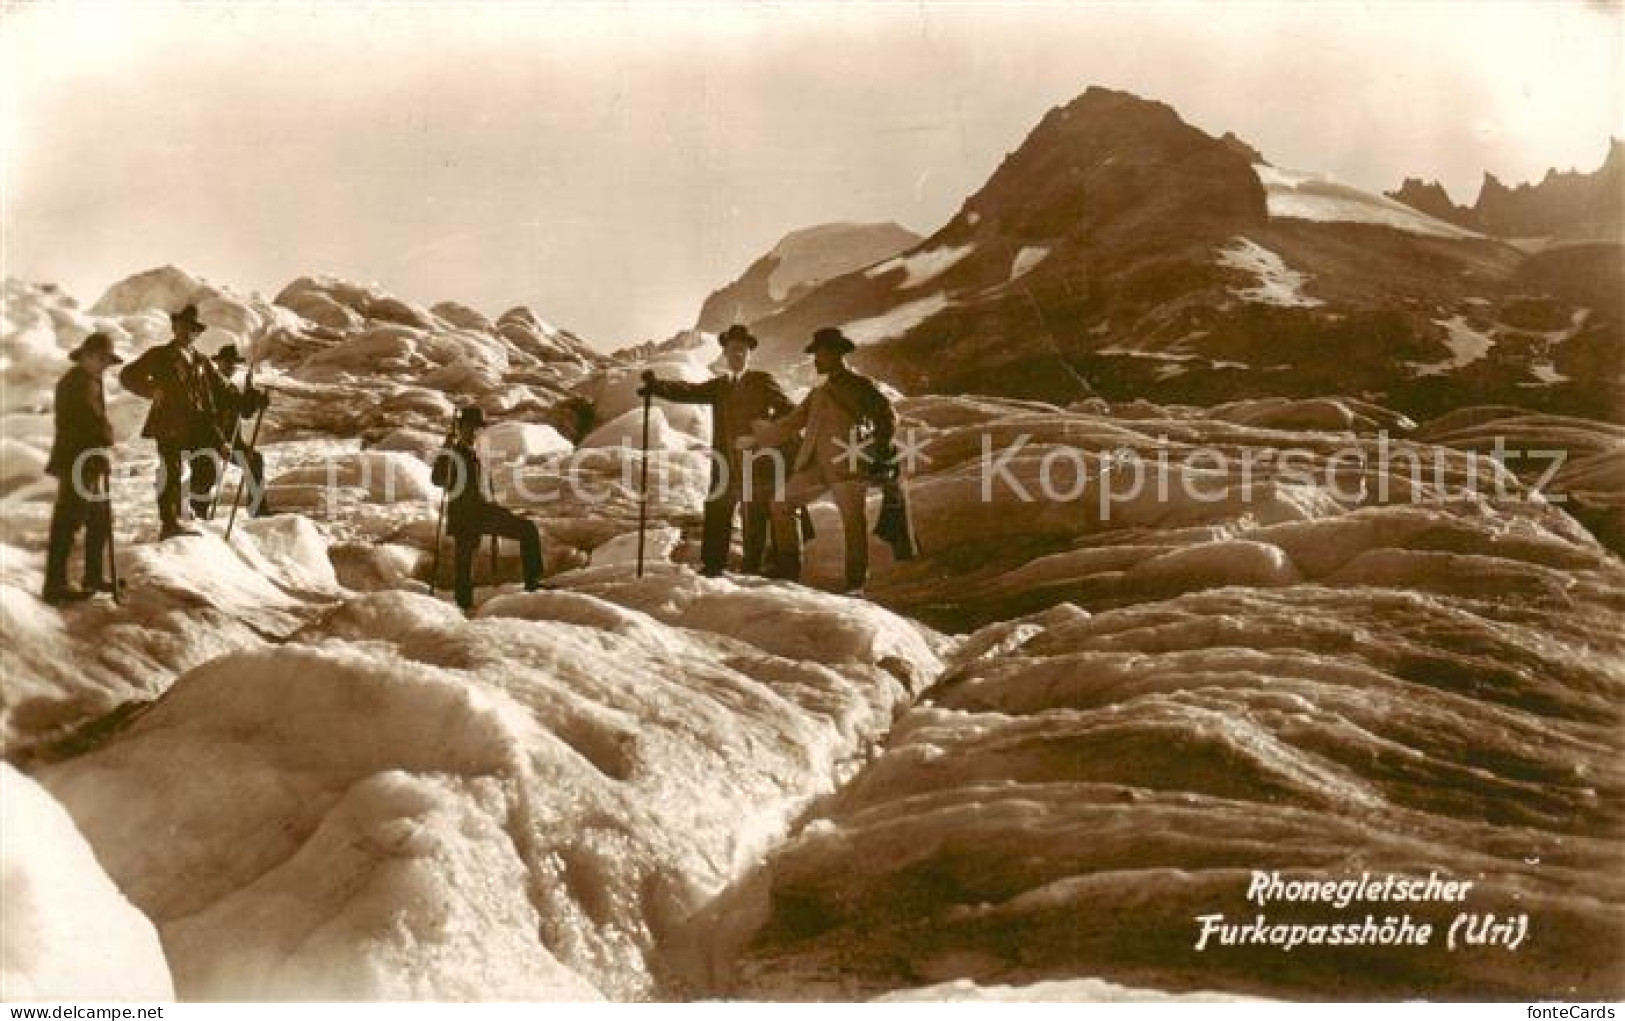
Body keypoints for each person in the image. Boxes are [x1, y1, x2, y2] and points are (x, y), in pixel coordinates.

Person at [637, 324, 794, 577]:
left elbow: (790, 413)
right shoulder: (720, 386)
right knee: (717, 511)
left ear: (750, 353)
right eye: (733, 351)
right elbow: (689, 391)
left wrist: (758, 436)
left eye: (742, 351)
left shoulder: (762, 382)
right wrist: (657, 386)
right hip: (725, 462)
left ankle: (752, 570)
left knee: (754, 516)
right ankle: (713, 567)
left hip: (758, 462)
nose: (737, 356)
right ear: (725, 353)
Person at [755, 327, 897, 593]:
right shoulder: (819, 392)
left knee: (853, 524)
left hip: (849, 466)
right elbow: (790, 423)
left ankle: (856, 585)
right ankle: (789, 570)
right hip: (815, 467)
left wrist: (878, 449)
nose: (815, 361)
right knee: (781, 503)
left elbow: (888, 416)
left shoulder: (860, 385)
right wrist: (756, 438)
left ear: (834, 354)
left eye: (819, 355)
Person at [117, 304, 231, 538]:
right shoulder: (159, 354)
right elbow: (127, 375)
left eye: (192, 329)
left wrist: (252, 398)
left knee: (208, 467)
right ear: (174, 328)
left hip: (199, 424)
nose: (186, 332)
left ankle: (197, 516)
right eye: (181, 326)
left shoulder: (202, 361)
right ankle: (169, 524)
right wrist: (151, 389)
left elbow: (224, 389)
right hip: (169, 423)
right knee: (171, 472)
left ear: (198, 333)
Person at [429, 406, 545, 611]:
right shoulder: (454, 453)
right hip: (465, 516)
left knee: (528, 530)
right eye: (471, 427)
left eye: (478, 428)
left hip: (482, 512)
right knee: (464, 567)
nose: (475, 431)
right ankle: (464, 607)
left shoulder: (477, 454)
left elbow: (484, 487)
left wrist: (497, 507)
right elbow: (438, 479)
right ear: (461, 427)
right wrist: (446, 450)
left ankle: (533, 583)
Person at [43, 333, 123, 605]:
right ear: (86, 355)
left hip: (89, 459)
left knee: (99, 518)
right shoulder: (76, 383)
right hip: (77, 460)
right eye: (100, 358)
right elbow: (90, 422)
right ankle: (55, 585)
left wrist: (101, 445)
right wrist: (105, 438)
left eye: (107, 361)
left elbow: (95, 422)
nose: (104, 365)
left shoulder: (89, 380)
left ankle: (92, 576)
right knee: (69, 520)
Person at [209, 345, 272, 518]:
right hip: (212, 440)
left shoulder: (232, 387)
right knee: (206, 474)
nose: (231, 367)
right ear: (218, 363)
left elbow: (244, 412)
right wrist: (249, 398)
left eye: (234, 364)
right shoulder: (211, 385)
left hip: (232, 442)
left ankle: (257, 509)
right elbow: (233, 404)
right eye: (227, 363)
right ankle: (197, 514)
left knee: (255, 460)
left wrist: (256, 400)